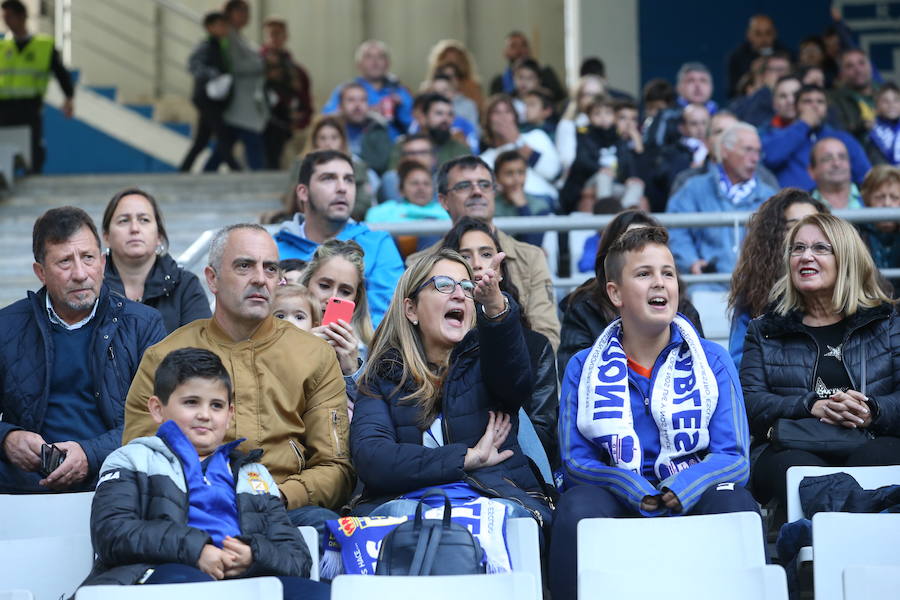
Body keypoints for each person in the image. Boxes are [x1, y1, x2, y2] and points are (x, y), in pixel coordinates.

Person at [550, 226, 756, 600]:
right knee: (575, 507)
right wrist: (633, 488)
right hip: (617, 490)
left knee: (736, 503)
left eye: (668, 273)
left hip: (692, 487)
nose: (660, 283)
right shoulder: (583, 365)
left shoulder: (713, 360)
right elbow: (576, 460)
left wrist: (683, 488)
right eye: (644, 274)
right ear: (615, 293)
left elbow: (734, 458)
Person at [123, 224, 354, 540]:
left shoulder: (314, 355)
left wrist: (279, 496)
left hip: (286, 510)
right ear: (212, 278)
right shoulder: (165, 356)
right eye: (245, 265)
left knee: (323, 526)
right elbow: (140, 457)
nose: (260, 278)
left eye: (270, 268)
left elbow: (335, 467)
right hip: (195, 513)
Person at [81, 348, 329, 599]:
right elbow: (112, 533)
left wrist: (253, 555)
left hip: (245, 579)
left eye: (217, 405)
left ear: (230, 414)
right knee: (194, 587)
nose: (205, 414)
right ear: (157, 409)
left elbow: (297, 558)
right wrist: (198, 550)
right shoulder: (133, 459)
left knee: (322, 594)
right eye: (191, 402)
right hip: (156, 575)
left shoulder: (254, 475)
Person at [349, 248, 554, 529]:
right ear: (411, 310)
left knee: (511, 520)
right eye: (443, 285)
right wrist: (467, 458)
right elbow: (373, 458)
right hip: (408, 505)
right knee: (399, 516)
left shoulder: (489, 359)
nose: (459, 294)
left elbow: (516, 382)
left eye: (467, 288)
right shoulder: (382, 376)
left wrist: (496, 309)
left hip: (494, 498)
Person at [741, 213, 900, 518]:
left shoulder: (887, 322)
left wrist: (871, 410)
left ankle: (819, 538)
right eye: (797, 249)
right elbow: (750, 403)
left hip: (870, 439)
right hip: (791, 445)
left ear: (847, 258)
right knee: (798, 467)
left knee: (878, 458)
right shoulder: (765, 330)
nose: (805, 256)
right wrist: (810, 405)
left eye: (820, 248)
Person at [0, 207, 165, 493]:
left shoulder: (143, 325)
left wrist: (91, 454)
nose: (80, 274)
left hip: (117, 479)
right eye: (64, 262)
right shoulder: (6, 326)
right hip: (21, 485)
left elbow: (161, 419)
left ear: (102, 262)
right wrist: (6, 438)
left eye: (88, 258)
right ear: (41, 272)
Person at [441, 217, 560, 473]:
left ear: (501, 271)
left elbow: (544, 434)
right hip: (448, 472)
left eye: (486, 254)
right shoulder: (435, 342)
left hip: (513, 473)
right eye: (465, 256)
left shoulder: (535, 346)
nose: (476, 263)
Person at [407, 155, 561, 350]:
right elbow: (410, 336)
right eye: (464, 186)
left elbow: (547, 338)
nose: (477, 191)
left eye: (484, 185)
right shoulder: (418, 263)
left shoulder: (530, 257)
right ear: (444, 201)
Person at [557, 210, 704, 377]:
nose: (658, 282)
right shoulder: (583, 308)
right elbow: (577, 381)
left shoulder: (686, 313)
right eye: (632, 242)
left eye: (667, 273)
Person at [274, 150, 405, 326]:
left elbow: (388, 318)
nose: (342, 188)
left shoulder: (378, 244)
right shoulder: (274, 249)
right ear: (303, 192)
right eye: (328, 178)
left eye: (349, 180)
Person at [727, 189, 829, 369]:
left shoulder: (850, 293)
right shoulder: (753, 296)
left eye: (815, 226)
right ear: (774, 236)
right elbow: (740, 363)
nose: (805, 235)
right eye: (793, 227)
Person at [667, 122, 777, 286]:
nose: (755, 158)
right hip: (705, 284)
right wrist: (691, 261)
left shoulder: (771, 197)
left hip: (757, 288)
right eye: (748, 150)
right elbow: (676, 231)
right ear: (725, 151)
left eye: (758, 152)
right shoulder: (694, 188)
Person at [101, 187, 211, 334]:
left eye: (144, 220)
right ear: (106, 236)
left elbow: (201, 352)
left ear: (159, 235)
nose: (134, 228)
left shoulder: (186, 286)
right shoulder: (91, 286)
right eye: (124, 220)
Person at [299, 239, 374, 414]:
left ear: (356, 299)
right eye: (324, 286)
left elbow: (373, 417)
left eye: (345, 291)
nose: (332, 298)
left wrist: (352, 370)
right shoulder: (278, 333)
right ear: (307, 283)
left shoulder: (369, 350)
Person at [0, 0, 75, 173]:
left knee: (33, 149)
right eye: (4, 17)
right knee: (3, 149)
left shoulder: (44, 45)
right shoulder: (2, 47)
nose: (6, 21)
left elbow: (61, 73)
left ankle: (33, 180)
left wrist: (69, 97)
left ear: (22, 17)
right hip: (3, 109)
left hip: (29, 107)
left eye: (10, 16)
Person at [761, 84, 871, 189]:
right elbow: (769, 158)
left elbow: (866, 177)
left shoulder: (843, 139)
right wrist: (803, 125)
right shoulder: (777, 135)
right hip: (791, 204)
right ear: (796, 107)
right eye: (807, 101)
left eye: (820, 102)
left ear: (826, 109)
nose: (814, 106)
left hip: (836, 206)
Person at [204, 0, 266, 172]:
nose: (246, 15)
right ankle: (259, 181)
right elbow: (234, 66)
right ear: (229, 13)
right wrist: (262, 65)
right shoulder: (228, 36)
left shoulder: (239, 36)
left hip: (245, 103)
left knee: (224, 148)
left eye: (247, 11)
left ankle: (205, 175)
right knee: (251, 145)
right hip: (239, 102)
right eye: (241, 11)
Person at [179, 11, 238, 173]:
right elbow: (193, 65)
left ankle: (183, 171)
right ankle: (236, 169)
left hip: (215, 100)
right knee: (224, 135)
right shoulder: (205, 45)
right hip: (206, 99)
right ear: (209, 28)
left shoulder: (222, 45)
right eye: (219, 25)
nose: (224, 28)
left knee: (202, 140)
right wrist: (213, 75)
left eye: (225, 25)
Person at [322, 40, 413, 139]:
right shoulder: (346, 90)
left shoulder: (399, 92)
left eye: (380, 57)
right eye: (368, 57)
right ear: (358, 64)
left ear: (388, 63)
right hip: (355, 146)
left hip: (393, 147)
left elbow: (415, 126)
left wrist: (400, 109)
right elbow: (326, 120)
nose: (375, 61)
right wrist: (363, 112)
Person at [480, 94, 561, 201]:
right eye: (496, 112)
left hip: (546, 203)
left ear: (515, 116)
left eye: (508, 112)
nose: (503, 117)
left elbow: (552, 172)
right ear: (488, 120)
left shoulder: (536, 136)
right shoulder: (483, 159)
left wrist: (517, 141)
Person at [260, 18, 313, 170]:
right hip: (257, 129)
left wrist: (299, 121)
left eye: (277, 34)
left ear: (285, 36)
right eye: (270, 34)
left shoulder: (296, 71)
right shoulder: (254, 66)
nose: (273, 38)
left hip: (284, 129)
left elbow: (305, 102)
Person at [493, 150, 552, 247]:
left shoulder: (540, 205)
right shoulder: (489, 205)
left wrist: (522, 207)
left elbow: (533, 246)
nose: (516, 179)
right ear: (496, 177)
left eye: (521, 172)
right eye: (509, 173)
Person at [489, 30, 566, 105]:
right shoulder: (498, 81)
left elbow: (560, 99)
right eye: (513, 46)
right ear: (505, 52)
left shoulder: (546, 73)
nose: (519, 50)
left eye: (524, 45)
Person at [334, 81, 392, 176]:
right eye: (351, 100)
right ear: (340, 107)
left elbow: (380, 164)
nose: (358, 105)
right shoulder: (331, 129)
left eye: (363, 100)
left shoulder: (377, 127)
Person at [365, 159, 449, 225]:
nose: (421, 188)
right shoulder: (382, 212)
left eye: (426, 184)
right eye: (414, 183)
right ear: (401, 190)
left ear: (433, 189)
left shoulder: (446, 210)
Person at [726, 14, 791, 98]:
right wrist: (752, 75)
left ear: (775, 34)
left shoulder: (787, 55)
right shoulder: (736, 58)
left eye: (768, 33)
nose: (764, 39)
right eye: (758, 34)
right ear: (749, 35)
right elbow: (732, 93)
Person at [858, 165, 900, 292]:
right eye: (880, 197)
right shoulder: (856, 233)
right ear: (867, 200)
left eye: (894, 197)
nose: (887, 203)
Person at [556, 75, 606, 172]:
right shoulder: (567, 124)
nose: (593, 99)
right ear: (578, 98)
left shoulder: (610, 123)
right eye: (588, 94)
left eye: (598, 96)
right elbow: (567, 160)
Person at [829, 48, 877, 140]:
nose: (858, 70)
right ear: (841, 73)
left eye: (862, 63)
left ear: (870, 66)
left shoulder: (887, 93)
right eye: (849, 66)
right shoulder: (833, 100)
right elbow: (838, 135)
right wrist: (861, 128)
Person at [424, 39, 484, 109]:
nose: (451, 61)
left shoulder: (472, 88)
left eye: (455, 59)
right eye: (447, 58)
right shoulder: (429, 87)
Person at [809, 137, 864, 209]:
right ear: (811, 171)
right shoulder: (802, 206)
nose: (837, 163)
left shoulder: (872, 197)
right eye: (827, 158)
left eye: (842, 157)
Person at [865, 82, 900, 166]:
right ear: (876, 106)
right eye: (885, 101)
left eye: (896, 100)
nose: (891, 105)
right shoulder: (870, 131)